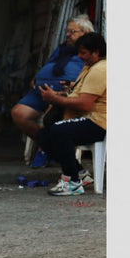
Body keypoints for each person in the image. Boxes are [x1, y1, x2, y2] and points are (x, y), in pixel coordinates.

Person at [35, 32, 107, 196]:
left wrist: (55, 99)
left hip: (98, 122)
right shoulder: (91, 67)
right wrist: (63, 92)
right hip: (87, 118)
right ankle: (80, 173)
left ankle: (72, 182)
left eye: (83, 53)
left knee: (59, 131)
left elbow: (85, 103)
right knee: (42, 136)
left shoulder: (100, 70)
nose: (80, 56)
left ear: (96, 52)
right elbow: (81, 93)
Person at [11, 15, 95, 142]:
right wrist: (37, 78)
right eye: (67, 31)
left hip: (63, 95)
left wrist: (71, 87)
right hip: (40, 91)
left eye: (72, 32)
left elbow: (92, 78)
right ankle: (47, 144)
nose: (67, 35)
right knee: (18, 113)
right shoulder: (61, 49)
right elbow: (49, 65)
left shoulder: (91, 53)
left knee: (50, 118)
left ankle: (49, 148)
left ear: (85, 33)